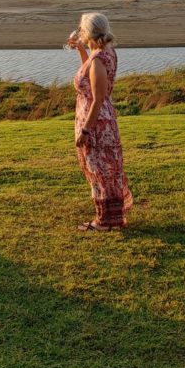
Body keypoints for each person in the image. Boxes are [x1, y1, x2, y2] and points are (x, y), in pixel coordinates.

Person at [66, 12, 133, 231]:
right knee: (106, 169)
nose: (80, 32)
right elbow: (91, 74)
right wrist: (81, 50)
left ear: (88, 32)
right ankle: (111, 218)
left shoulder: (98, 60)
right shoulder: (105, 52)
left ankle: (104, 222)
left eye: (82, 29)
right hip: (103, 119)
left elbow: (97, 99)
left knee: (99, 170)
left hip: (96, 123)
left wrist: (85, 130)